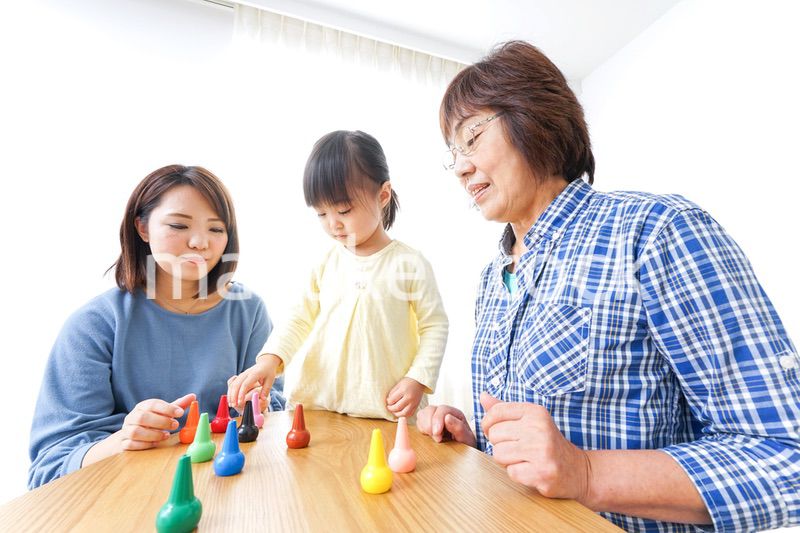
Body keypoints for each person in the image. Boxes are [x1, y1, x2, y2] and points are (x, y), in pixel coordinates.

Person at [417, 41, 800, 532]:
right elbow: (538, 455)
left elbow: (784, 454)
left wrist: (588, 472)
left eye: (472, 137)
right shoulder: (493, 279)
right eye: (453, 153)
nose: (462, 167)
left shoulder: (655, 231)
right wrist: (477, 444)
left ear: (535, 119)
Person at [28, 165, 284, 489]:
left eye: (217, 230)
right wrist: (123, 440)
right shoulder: (94, 326)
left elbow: (274, 418)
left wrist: (258, 408)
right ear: (142, 227)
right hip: (123, 501)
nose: (200, 242)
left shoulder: (248, 312)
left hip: (231, 494)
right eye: (179, 225)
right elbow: (48, 469)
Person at [227, 130, 448, 421]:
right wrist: (270, 361)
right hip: (319, 409)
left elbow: (435, 326)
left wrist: (417, 379)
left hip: (388, 412)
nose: (333, 225)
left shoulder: (409, 263)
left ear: (383, 195)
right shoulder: (325, 263)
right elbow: (298, 318)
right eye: (321, 214)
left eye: (344, 210)